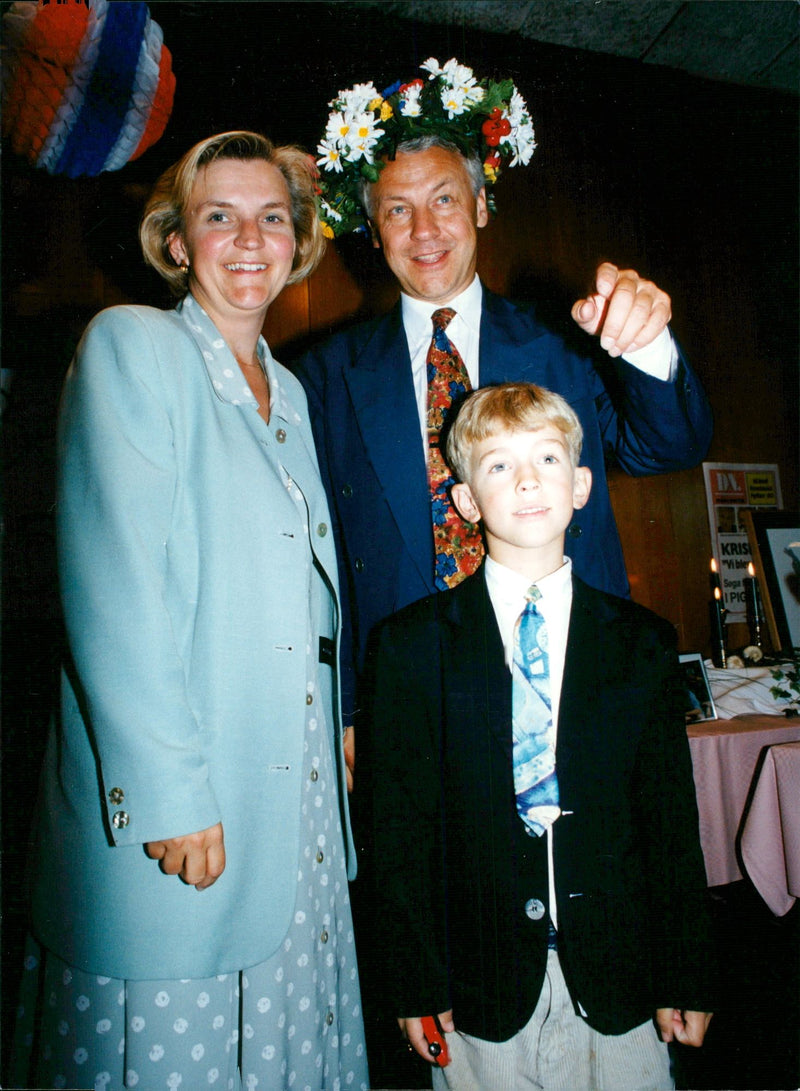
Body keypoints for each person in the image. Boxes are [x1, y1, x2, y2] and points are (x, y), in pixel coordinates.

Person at [10, 131, 369, 1091]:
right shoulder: (134, 345)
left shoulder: (286, 390)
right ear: (176, 243)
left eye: (273, 219)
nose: (250, 239)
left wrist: (332, 724)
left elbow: (303, 595)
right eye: (220, 216)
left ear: (298, 245)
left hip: (290, 802)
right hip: (189, 798)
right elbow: (112, 581)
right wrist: (165, 790)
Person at [293, 59, 713, 728]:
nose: (423, 229)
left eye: (444, 199)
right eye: (397, 210)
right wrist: (348, 707)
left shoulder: (567, 342)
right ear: (374, 232)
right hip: (409, 705)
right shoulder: (321, 376)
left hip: (577, 688)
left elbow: (670, 444)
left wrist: (644, 342)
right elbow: (318, 560)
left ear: (481, 206)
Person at [367, 382, 716, 1090]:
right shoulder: (410, 648)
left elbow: (671, 821)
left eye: (548, 458)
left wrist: (687, 965)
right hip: (479, 982)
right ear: (466, 500)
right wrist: (415, 980)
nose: (527, 480)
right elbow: (397, 830)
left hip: (619, 975)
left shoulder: (643, 645)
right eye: (498, 465)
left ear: (581, 484)